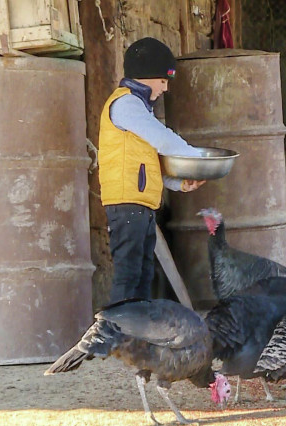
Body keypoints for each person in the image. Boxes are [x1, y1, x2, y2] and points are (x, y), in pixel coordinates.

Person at [98, 37, 205, 305]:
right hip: (126, 206)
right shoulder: (126, 105)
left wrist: (178, 183)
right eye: (163, 80)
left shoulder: (138, 107)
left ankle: (137, 331)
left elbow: (148, 162)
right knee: (129, 279)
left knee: (142, 278)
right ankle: (116, 330)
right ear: (146, 76)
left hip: (139, 206)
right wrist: (197, 158)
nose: (165, 88)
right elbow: (163, 139)